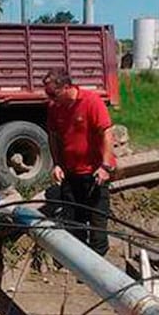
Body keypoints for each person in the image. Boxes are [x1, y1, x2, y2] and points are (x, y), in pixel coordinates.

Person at [44, 69, 116, 256]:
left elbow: (106, 133)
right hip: (70, 172)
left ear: (67, 87)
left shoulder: (91, 101)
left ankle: (99, 264)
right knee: (74, 221)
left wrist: (105, 166)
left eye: (53, 93)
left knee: (97, 221)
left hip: (94, 173)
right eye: (47, 94)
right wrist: (57, 164)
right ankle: (81, 261)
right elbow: (53, 136)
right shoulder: (55, 107)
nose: (50, 98)